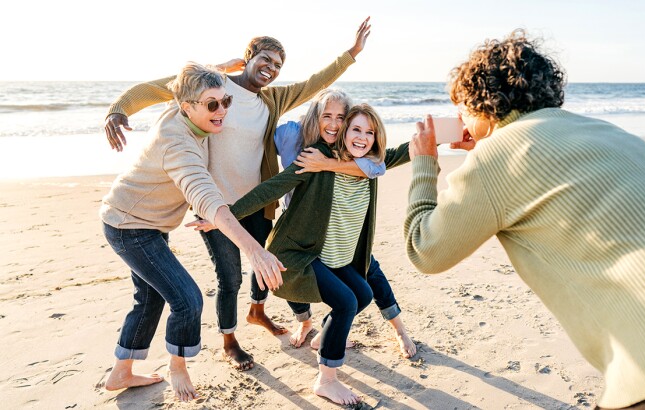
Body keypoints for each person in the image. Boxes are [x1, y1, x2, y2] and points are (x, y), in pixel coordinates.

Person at [405, 30, 645, 409]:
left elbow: (426, 250)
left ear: (479, 104)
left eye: (460, 107)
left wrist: (425, 166)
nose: (459, 118)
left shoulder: (495, 160)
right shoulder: (607, 132)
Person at [104, 18, 371, 371]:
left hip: (258, 203)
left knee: (269, 266)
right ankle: (230, 341)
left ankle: (259, 312)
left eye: (278, 65)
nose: (271, 69)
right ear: (248, 57)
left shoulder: (273, 98)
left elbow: (314, 85)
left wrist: (351, 54)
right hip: (215, 207)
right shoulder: (213, 88)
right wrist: (119, 109)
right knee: (229, 278)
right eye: (265, 59)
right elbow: (157, 89)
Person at [100, 63, 284, 402]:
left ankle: (121, 372)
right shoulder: (178, 144)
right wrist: (254, 250)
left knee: (150, 297)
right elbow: (206, 195)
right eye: (211, 105)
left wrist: (221, 67)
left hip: (144, 223)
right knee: (187, 299)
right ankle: (177, 367)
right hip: (130, 227)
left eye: (225, 101)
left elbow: (164, 84)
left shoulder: (184, 106)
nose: (222, 111)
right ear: (187, 107)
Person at [224, 104, 410, 404]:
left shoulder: (371, 164)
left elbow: (409, 148)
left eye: (369, 132)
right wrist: (225, 216)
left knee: (362, 295)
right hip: (299, 255)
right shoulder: (316, 159)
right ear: (344, 132)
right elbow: (272, 187)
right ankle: (326, 380)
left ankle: (325, 338)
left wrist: (450, 135)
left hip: (335, 258)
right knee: (347, 301)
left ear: (376, 138)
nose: (362, 138)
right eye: (355, 130)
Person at [274, 88, 417, 358]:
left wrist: (327, 163)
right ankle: (306, 324)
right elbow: (267, 170)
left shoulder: (345, 145)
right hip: (298, 227)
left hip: (339, 234)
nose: (334, 123)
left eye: (341, 117)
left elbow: (378, 162)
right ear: (315, 115)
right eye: (327, 115)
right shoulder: (293, 136)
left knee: (369, 273)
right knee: (295, 275)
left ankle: (397, 328)